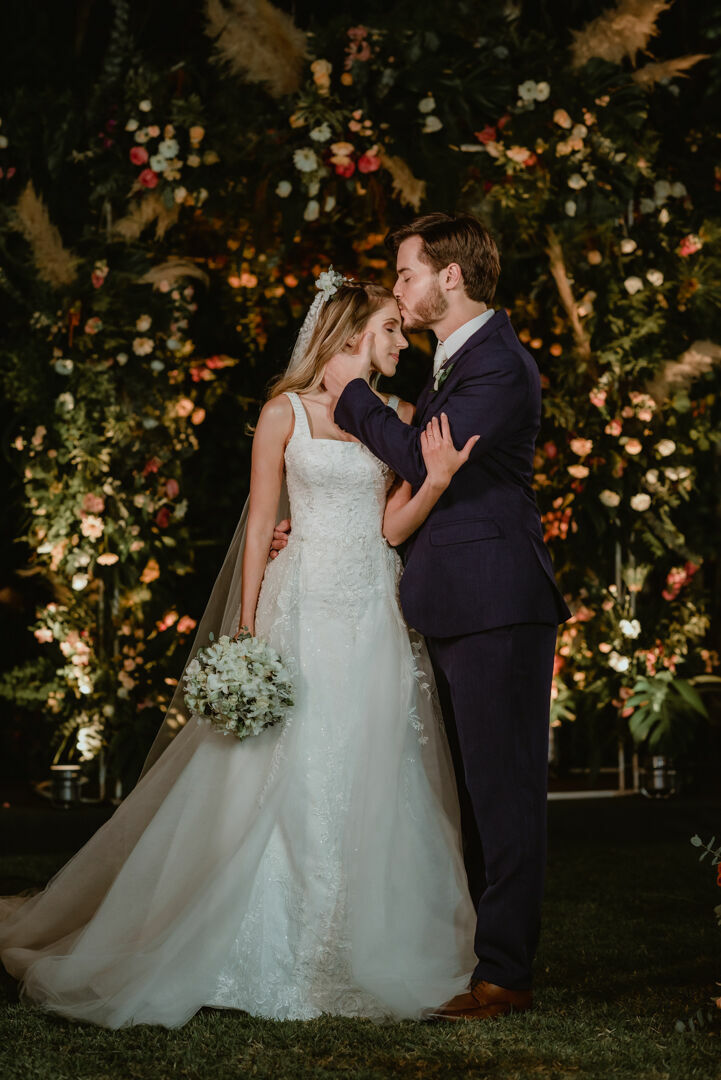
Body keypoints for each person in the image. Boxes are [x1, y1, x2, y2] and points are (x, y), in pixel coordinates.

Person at [0, 273, 481, 1030]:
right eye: (390, 328)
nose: (401, 341)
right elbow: (260, 525)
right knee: (282, 770)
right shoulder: (282, 412)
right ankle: (264, 942)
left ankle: (360, 944)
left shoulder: (396, 415)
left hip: (371, 614)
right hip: (301, 608)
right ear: (354, 333)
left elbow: (391, 527)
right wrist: (250, 630)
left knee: (371, 762)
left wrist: (438, 480)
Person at [317, 213, 572, 1022]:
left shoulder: (496, 366)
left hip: (497, 601)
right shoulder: (455, 363)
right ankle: (478, 957)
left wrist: (349, 394)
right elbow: (420, 492)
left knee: (504, 795)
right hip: (456, 600)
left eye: (405, 273)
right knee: (468, 794)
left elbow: (415, 458)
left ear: (449, 276)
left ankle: (504, 977)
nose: (398, 289)